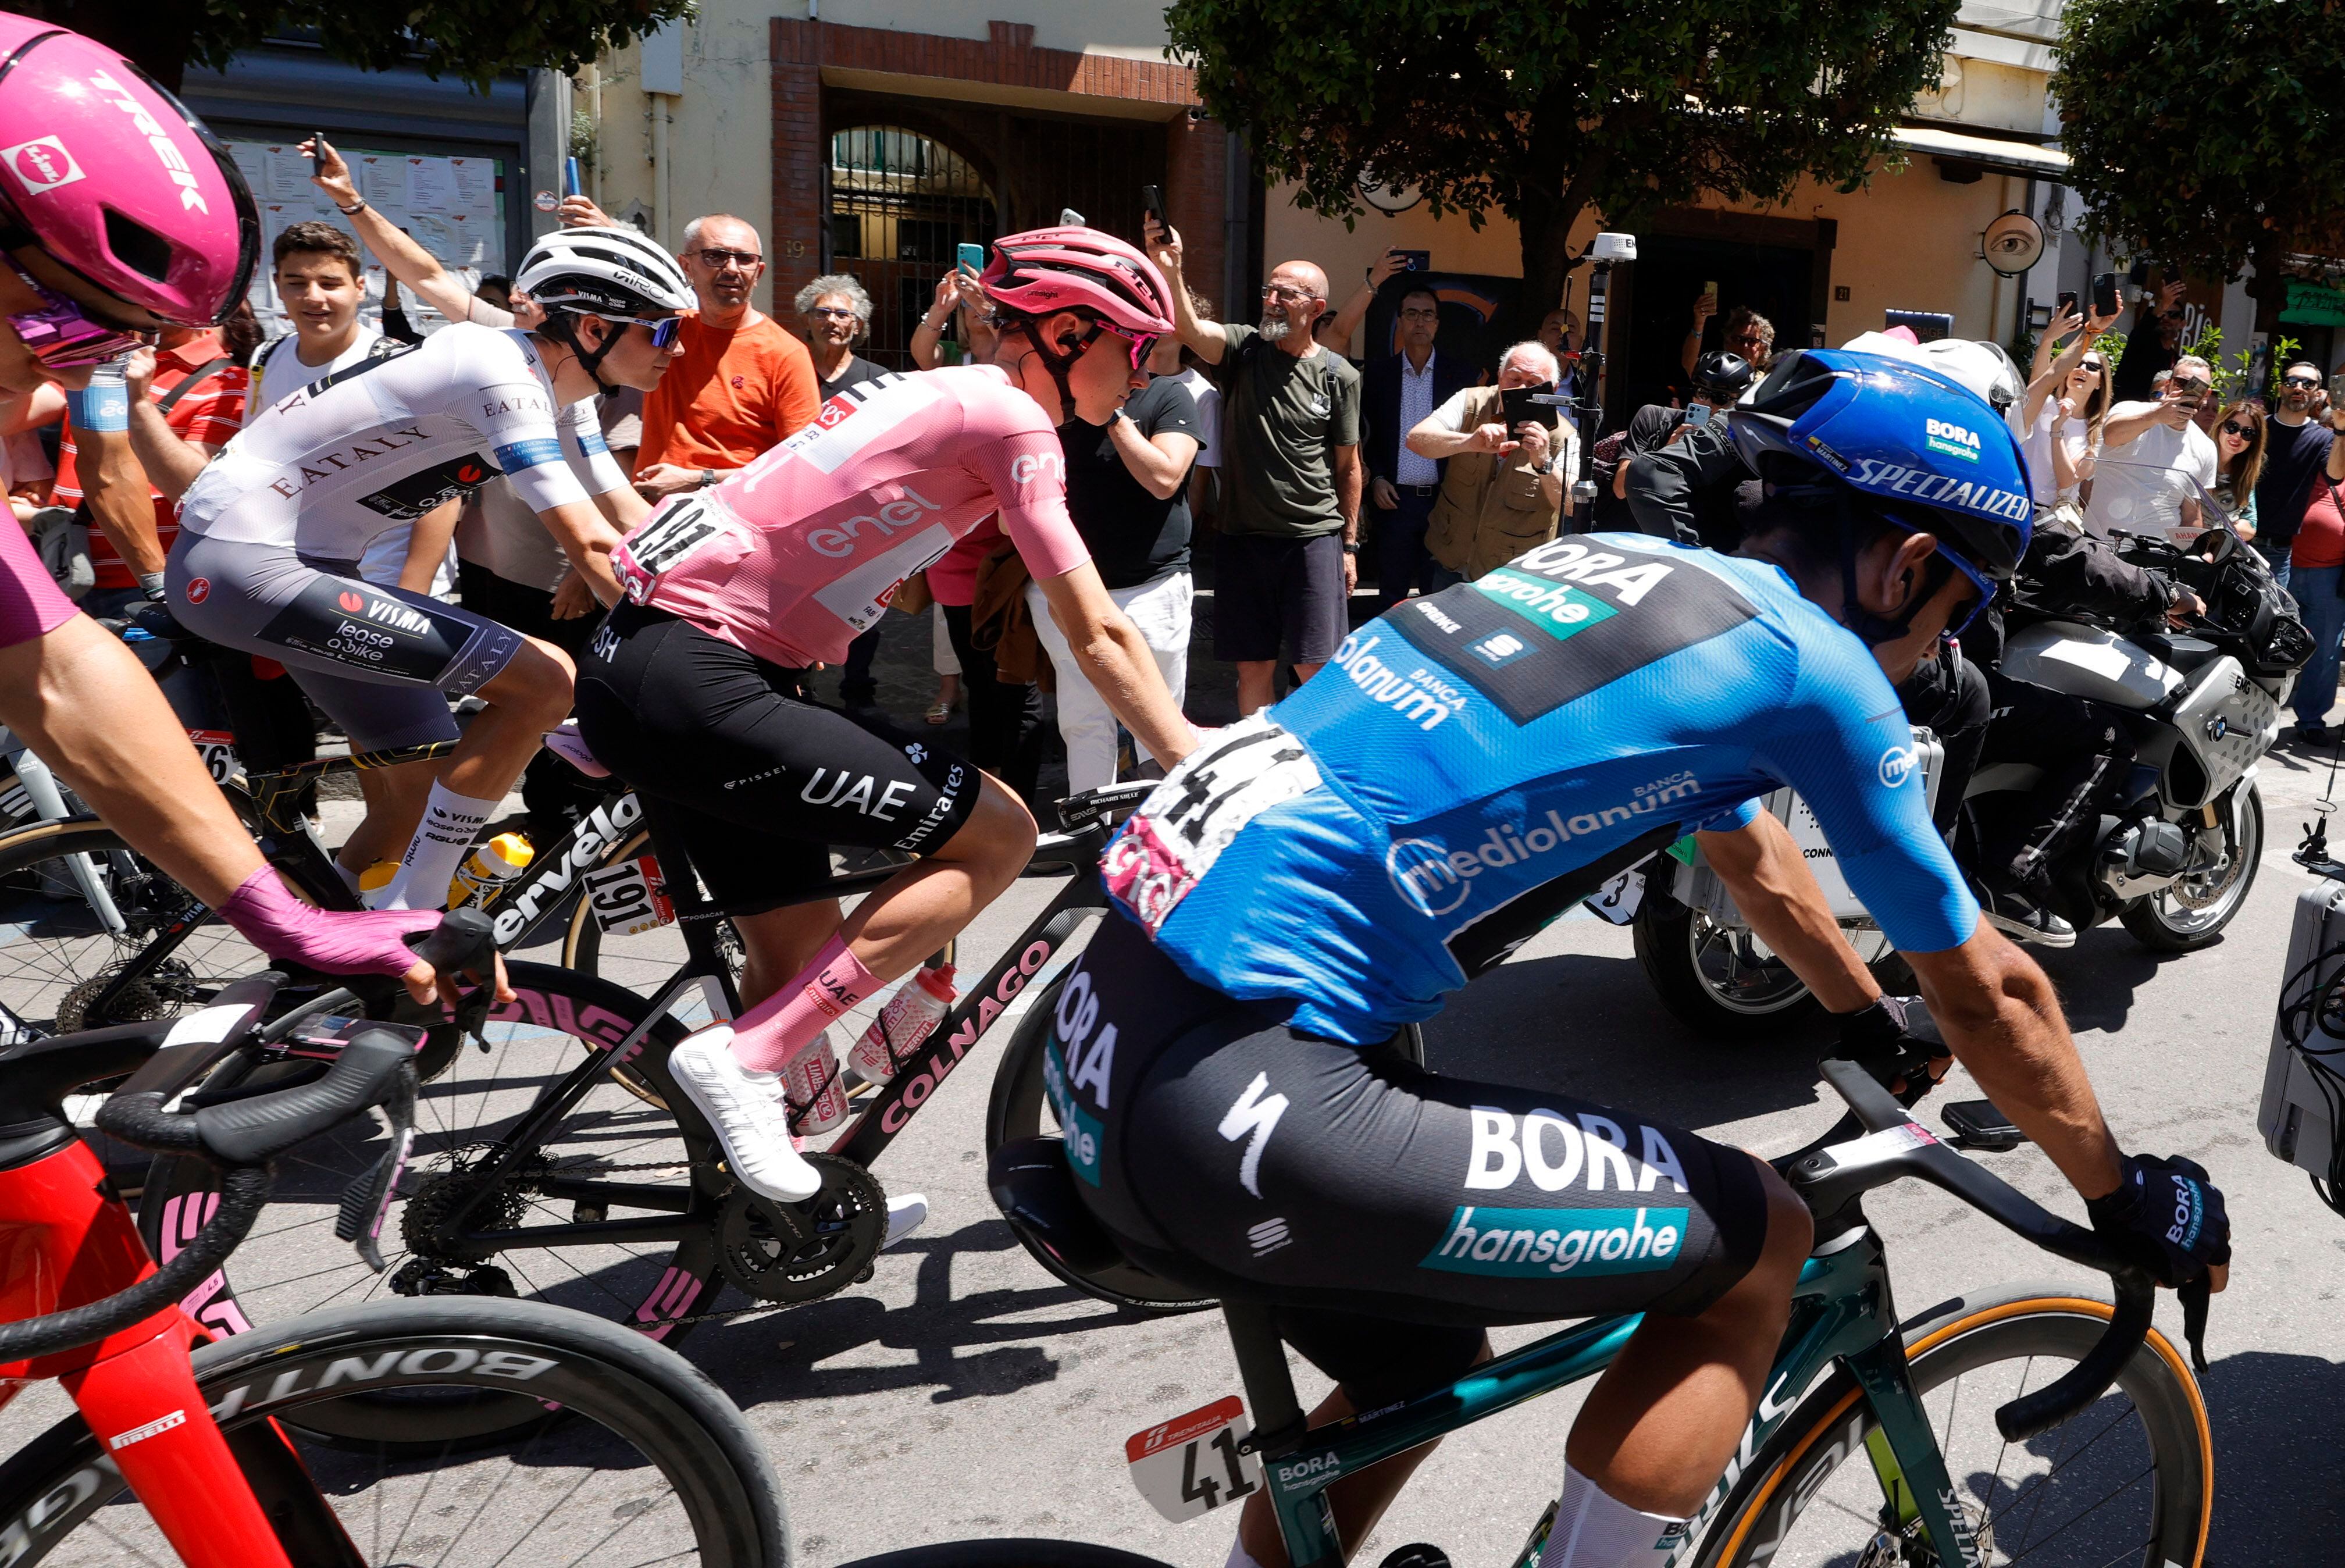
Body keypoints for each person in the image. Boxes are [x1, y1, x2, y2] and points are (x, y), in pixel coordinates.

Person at [1059, 347, 2227, 1568]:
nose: (1942, 646)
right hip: (1252, 1102)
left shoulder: (1605, 569)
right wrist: (2122, 1193)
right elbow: (1993, 988)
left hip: (1109, 1034)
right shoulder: (1811, 664)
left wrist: (1866, 1013)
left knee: (1418, 1358)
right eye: (1958, 614)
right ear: (1911, 564)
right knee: (1760, 1241)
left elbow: (1749, 854)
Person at [571, 225, 1198, 1218]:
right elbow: (1095, 630)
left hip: (646, 665)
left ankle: (807, 1196)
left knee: (800, 951)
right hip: (703, 676)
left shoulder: (921, 390)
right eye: (1139, 345)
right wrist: (1193, 753)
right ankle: (745, 1057)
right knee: (998, 832)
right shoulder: (1011, 421)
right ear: (1073, 332)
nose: (1147, 370)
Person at [0, 15, 491, 1003]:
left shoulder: (244, 362)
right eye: (61, 330)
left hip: (271, 575)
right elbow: (108, 467)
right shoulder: (175, 370)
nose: (71, 371)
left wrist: (281, 917)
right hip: (197, 576)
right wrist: (145, 569)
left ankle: (323, 896)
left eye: (329, 283)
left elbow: (62, 665)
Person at [147, 224, 689, 910]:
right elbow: (586, 542)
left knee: (420, 784)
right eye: (662, 330)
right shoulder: (500, 371)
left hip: (301, 564)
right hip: (244, 563)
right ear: (592, 327)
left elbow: (626, 517)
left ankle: (323, 950)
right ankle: (421, 911)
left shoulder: (567, 394)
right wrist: (690, 646)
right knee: (546, 680)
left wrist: (719, 598)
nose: (677, 347)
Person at [1145, 219, 1363, 714]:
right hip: (1243, 539)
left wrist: (1349, 546)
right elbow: (1189, 329)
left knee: (1316, 668)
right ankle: (1256, 762)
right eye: (1270, 290)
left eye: (1287, 293)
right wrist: (1172, 268)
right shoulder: (1244, 350)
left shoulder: (1338, 375)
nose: (1272, 299)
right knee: (1253, 667)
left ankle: (1313, 769)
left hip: (1313, 541)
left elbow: (1350, 468)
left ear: (1316, 309)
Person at [1028, 328, 1201, 793]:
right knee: (1084, 720)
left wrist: (1111, 415)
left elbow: (1165, 477)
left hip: (1153, 589)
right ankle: (1090, 834)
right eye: (1127, 362)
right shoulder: (1051, 408)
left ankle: (1161, 837)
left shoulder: (1170, 396)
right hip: (1070, 593)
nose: (1139, 376)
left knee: (1161, 721)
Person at [54, 318, 250, 616]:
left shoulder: (228, 381)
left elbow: (199, 493)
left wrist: (140, 401)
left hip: (146, 583)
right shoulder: (104, 354)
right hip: (66, 568)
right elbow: (16, 414)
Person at [632, 215, 821, 500]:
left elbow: (802, 463)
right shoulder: (663, 329)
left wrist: (700, 480)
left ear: (758, 272)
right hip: (649, 513)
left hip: (734, 523)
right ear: (686, 266)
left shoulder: (786, 354)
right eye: (715, 256)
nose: (732, 268)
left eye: (745, 259)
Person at [796, 272, 893, 710]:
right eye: (822, 312)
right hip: (797, 505)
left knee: (859, 601)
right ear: (808, 320)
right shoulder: (789, 372)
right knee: (796, 599)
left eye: (842, 314)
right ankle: (798, 683)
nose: (832, 321)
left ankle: (859, 689)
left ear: (858, 325)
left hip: (856, 508)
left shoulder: (879, 381)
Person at [1405, 341, 1572, 586]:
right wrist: (1468, 443)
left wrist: (1544, 462)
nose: (1521, 389)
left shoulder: (1565, 437)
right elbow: (1416, 440)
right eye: (1514, 379)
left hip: (1512, 578)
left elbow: (1573, 507)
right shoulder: (1470, 401)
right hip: (1448, 561)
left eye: (1534, 384)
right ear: (1500, 377)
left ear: (1554, 390)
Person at [1362, 286, 1477, 609]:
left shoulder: (1461, 376)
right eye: (1412, 314)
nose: (1420, 322)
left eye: (1428, 314)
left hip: (1444, 501)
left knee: (1439, 595)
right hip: (1394, 501)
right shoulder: (1378, 375)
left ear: (1438, 324)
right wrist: (1377, 478)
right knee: (1391, 595)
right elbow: (1366, 434)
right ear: (1400, 321)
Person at [1617, 353, 1760, 551]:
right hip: (1651, 541)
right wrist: (1668, 450)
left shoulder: (1745, 440)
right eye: (1702, 393)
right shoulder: (1654, 418)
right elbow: (1620, 489)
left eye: (1720, 398)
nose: (1708, 404)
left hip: (1717, 548)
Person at [2089, 355, 2218, 544]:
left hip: (2154, 556)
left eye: (2197, 386)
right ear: (2168, 384)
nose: (2187, 391)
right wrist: (2156, 416)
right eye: (2181, 382)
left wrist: (2192, 557)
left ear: (2206, 395)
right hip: (2100, 544)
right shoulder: (2129, 409)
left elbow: (2192, 514)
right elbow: (2111, 436)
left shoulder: (2205, 447)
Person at [2017, 302, 2117, 529]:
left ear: (2101, 382)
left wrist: (2057, 431)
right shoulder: (2047, 404)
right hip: (2015, 500)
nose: (2082, 369)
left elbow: (2067, 480)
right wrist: (2049, 339)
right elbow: (2043, 380)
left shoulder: (2096, 430)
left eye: (2092, 367)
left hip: (2047, 517)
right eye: (2078, 363)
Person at [2287, 411, 2345, 740]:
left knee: (2324, 652)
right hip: (2283, 565)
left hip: (2329, 575)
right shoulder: (2299, 467)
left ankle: (2311, 720)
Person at [2253, 360, 2335, 588]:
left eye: (2308, 384)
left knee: (2272, 619)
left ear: (2318, 394)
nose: (2298, 387)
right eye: (2292, 381)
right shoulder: (2258, 428)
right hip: (2238, 541)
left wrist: (2341, 427)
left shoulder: (2324, 438)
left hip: (2278, 551)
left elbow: (2334, 476)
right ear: (2281, 388)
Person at [2108, 278, 2187, 407]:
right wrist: (2163, 304)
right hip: (2124, 414)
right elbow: (2146, 326)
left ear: (2183, 324)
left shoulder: (2177, 361)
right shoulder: (2142, 343)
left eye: (2173, 315)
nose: (2166, 318)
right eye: (2163, 314)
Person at [2207, 400, 2265, 540]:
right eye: (2232, 427)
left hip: (2220, 549)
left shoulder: (2245, 474)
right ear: (2220, 426)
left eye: (2247, 433)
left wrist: (2218, 529)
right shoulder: (2199, 459)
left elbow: (2250, 527)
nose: (2238, 436)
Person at [1681, 293, 1775, 380]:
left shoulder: (1767, 384)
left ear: (1762, 349)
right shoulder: (1713, 372)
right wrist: (1699, 323)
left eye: (1752, 341)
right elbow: (1689, 366)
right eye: (1739, 339)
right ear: (1728, 342)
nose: (1745, 346)